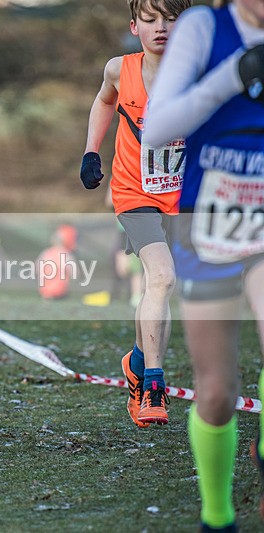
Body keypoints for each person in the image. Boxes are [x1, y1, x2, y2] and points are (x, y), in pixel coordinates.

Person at [144, 0, 264, 530]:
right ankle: (218, 517)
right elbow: (157, 129)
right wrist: (232, 76)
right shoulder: (202, 27)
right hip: (209, 222)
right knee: (216, 392)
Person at [79, 0, 192, 428]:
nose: (161, 28)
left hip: (184, 196)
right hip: (134, 192)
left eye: (171, 18)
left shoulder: (201, 72)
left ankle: (138, 362)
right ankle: (153, 389)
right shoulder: (118, 70)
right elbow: (104, 102)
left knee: (165, 288)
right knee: (161, 277)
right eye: (150, 20)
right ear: (134, 26)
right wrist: (91, 151)